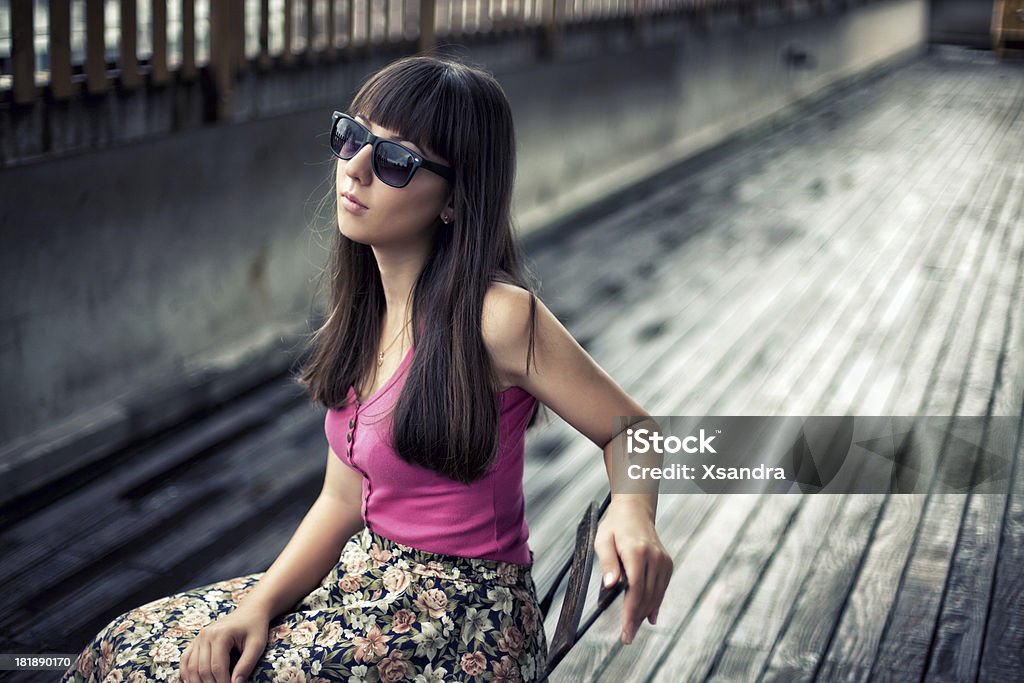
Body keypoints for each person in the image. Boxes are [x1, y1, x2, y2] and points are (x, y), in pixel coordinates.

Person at [62, 53, 673, 683]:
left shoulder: (497, 317)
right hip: (360, 583)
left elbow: (635, 429)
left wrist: (631, 511)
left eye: (396, 160)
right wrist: (256, 607)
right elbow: (343, 495)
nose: (354, 169)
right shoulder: (365, 311)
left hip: (463, 624)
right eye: (351, 137)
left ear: (455, 200)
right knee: (121, 645)